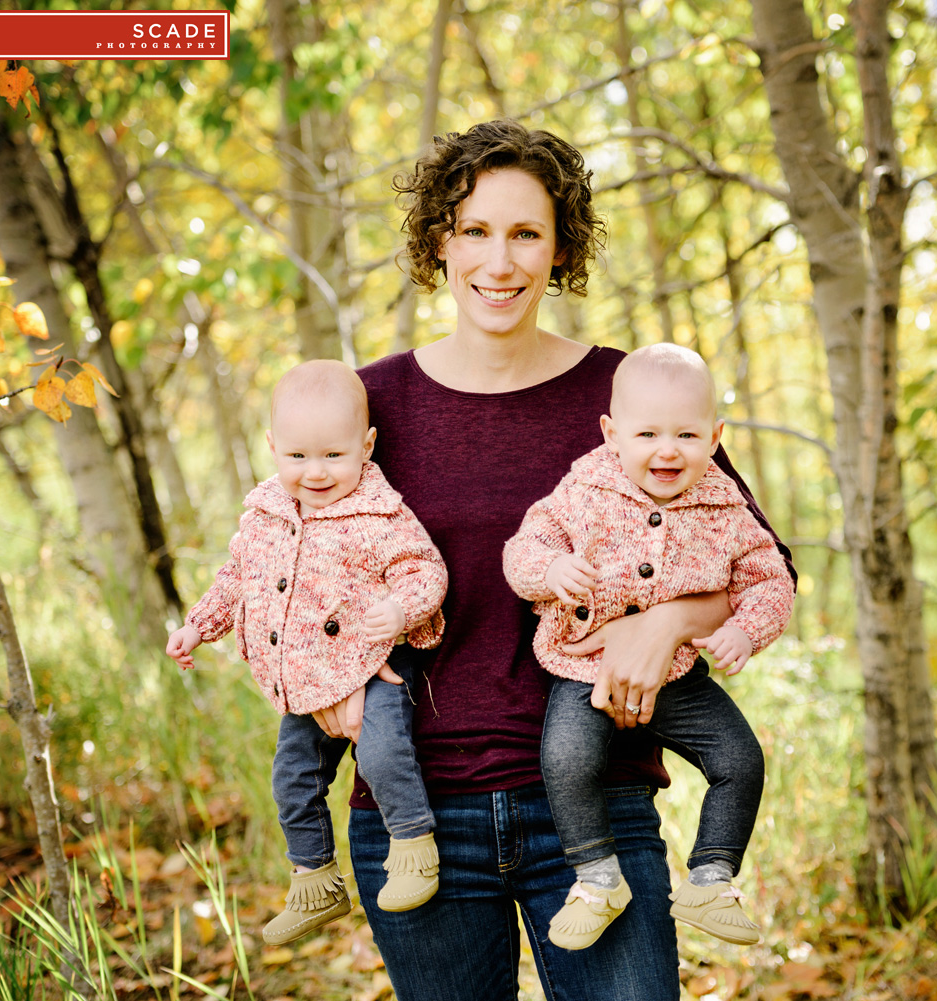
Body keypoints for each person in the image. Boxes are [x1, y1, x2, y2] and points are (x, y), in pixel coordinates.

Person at [319, 120, 792, 1001]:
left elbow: (762, 562)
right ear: (439, 241)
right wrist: (330, 687)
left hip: (597, 798)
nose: (499, 261)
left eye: (526, 232)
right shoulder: (371, 402)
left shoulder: (635, 396)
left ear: (560, 246)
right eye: (475, 231)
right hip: (419, 813)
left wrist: (670, 622)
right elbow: (295, 573)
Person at [503, 343, 794, 951]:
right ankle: (596, 878)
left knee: (740, 760)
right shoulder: (584, 490)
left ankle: (711, 879)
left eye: (687, 434)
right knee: (566, 760)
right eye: (649, 433)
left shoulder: (724, 506)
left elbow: (770, 577)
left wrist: (746, 628)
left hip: (680, 672)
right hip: (584, 666)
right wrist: (551, 569)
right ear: (613, 433)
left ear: (715, 437)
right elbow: (527, 545)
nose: (668, 450)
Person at [165, 360, 448, 947]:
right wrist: (198, 625)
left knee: (383, 754)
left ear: (365, 447)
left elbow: (426, 570)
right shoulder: (266, 513)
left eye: (332, 456)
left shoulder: (380, 515)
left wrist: (400, 609)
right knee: (292, 780)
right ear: (272, 447)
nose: (315, 473)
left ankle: (415, 846)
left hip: (369, 667)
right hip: (299, 677)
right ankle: (314, 880)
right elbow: (237, 576)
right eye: (297, 457)